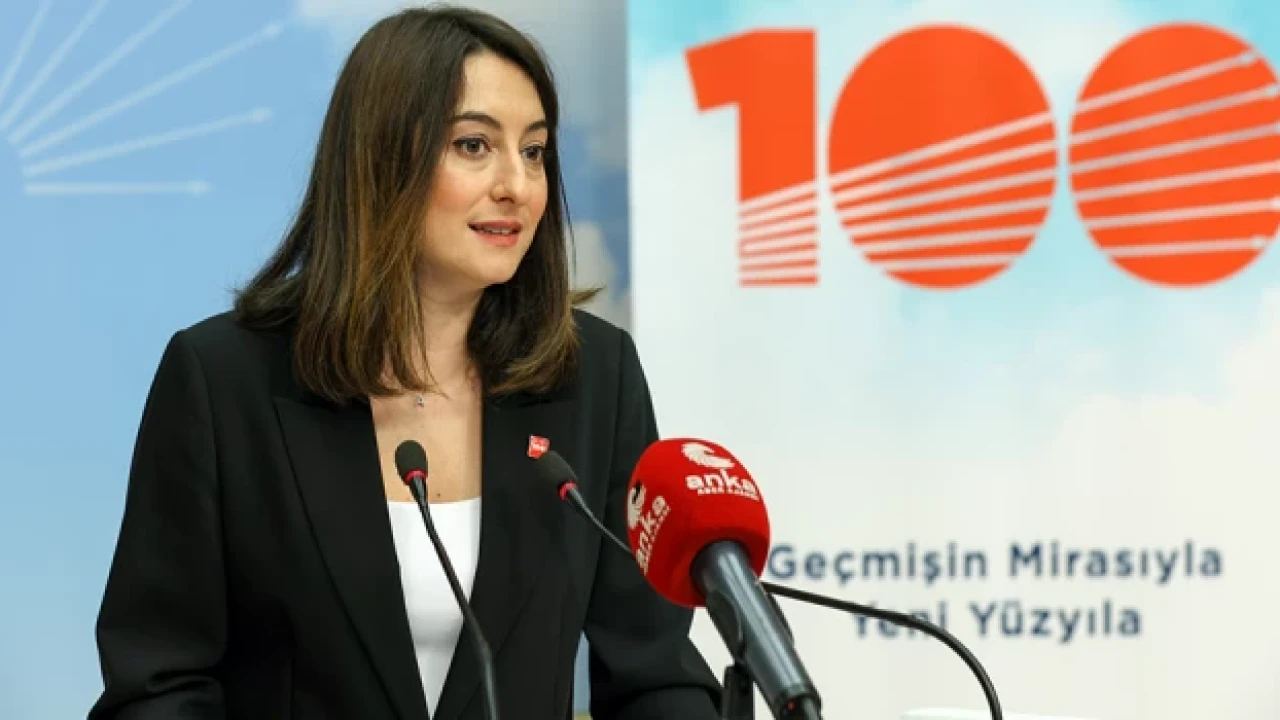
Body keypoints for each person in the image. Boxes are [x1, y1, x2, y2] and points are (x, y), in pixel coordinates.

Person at [87, 5, 723, 719]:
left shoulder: (594, 376)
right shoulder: (223, 380)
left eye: (535, 151)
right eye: (475, 145)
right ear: (382, 160)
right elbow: (158, 685)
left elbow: (653, 673)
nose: (517, 185)